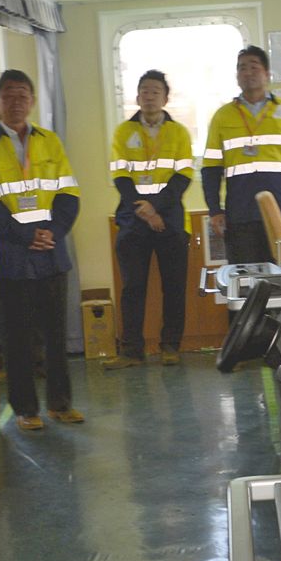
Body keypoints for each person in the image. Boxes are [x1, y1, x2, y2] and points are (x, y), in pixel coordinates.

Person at [0, 69, 84, 430]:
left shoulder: (50, 141)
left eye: (23, 95)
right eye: (8, 96)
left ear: (32, 101)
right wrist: (26, 236)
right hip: (12, 258)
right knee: (17, 339)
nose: (16, 102)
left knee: (55, 336)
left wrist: (53, 231)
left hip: (52, 253)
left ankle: (60, 404)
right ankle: (25, 410)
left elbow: (68, 193)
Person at [105, 70, 194, 370]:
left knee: (174, 287)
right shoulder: (122, 133)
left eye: (155, 90)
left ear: (166, 98)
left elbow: (182, 177)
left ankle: (171, 346)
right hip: (132, 220)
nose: (149, 95)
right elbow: (120, 176)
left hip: (170, 219)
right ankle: (132, 351)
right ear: (137, 97)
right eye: (144, 90)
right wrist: (144, 210)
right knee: (132, 288)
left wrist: (155, 208)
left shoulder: (179, 133)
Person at [203, 45, 281, 264]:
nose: (248, 72)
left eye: (254, 67)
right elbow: (210, 169)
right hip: (240, 213)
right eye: (242, 68)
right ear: (237, 76)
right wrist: (215, 209)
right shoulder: (222, 116)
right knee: (245, 281)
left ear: (267, 74)